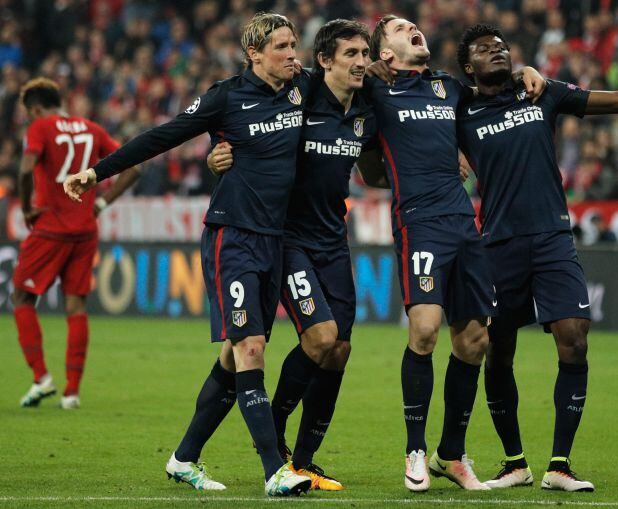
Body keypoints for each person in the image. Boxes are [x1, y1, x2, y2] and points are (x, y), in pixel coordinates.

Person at [63, 12, 314, 497]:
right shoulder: (226, 97)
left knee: (232, 354)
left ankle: (183, 458)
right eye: (281, 47)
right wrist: (96, 173)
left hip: (275, 239)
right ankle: (274, 471)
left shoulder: (304, 88)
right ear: (255, 54)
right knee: (251, 348)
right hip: (233, 237)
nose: (291, 54)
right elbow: (163, 136)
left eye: (293, 45)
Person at [455, 24, 618, 492]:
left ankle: (559, 464)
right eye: (485, 49)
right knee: (498, 350)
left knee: (574, 338)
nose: (498, 51)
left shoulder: (541, 92)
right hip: (496, 244)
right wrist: (449, 149)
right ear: (468, 66)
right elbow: (419, 127)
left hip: (552, 237)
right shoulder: (460, 107)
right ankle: (514, 463)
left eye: (502, 46)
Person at [206, 18, 386, 491]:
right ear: (324, 60)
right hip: (287, 239)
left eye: (365, 54)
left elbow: (372, 170)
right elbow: (245, 126)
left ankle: (305, 459)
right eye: (351, 54)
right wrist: (216, 152)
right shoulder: (299, 94)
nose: (361, 62)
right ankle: (277, 437)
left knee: (340, 349)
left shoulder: (366, 108)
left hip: (333, 240)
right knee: (321, 337)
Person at [367, 15, 545, 491]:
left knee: (474, 342)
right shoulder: (376, 91)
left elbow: (493, 87)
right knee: (424, 330)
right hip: (419, 223)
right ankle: (415, 450)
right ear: (384, 53)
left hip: (465, 224)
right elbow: (367, 169)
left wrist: (526, 70)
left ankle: (452, 453)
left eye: (411, 23)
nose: (412, 28)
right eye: (399, 29)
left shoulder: (449, 87)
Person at [13, 77, 139, 410]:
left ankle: (41, 377)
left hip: (51, 226)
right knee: (76, 306)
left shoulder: (41, 126)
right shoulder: (91, 128)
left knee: (22, 296)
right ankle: (71, 393)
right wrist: (100, 204)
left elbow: (26, 170)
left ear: (36, 108)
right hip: (85, 229)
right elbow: (133, 167)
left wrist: (26, 208)